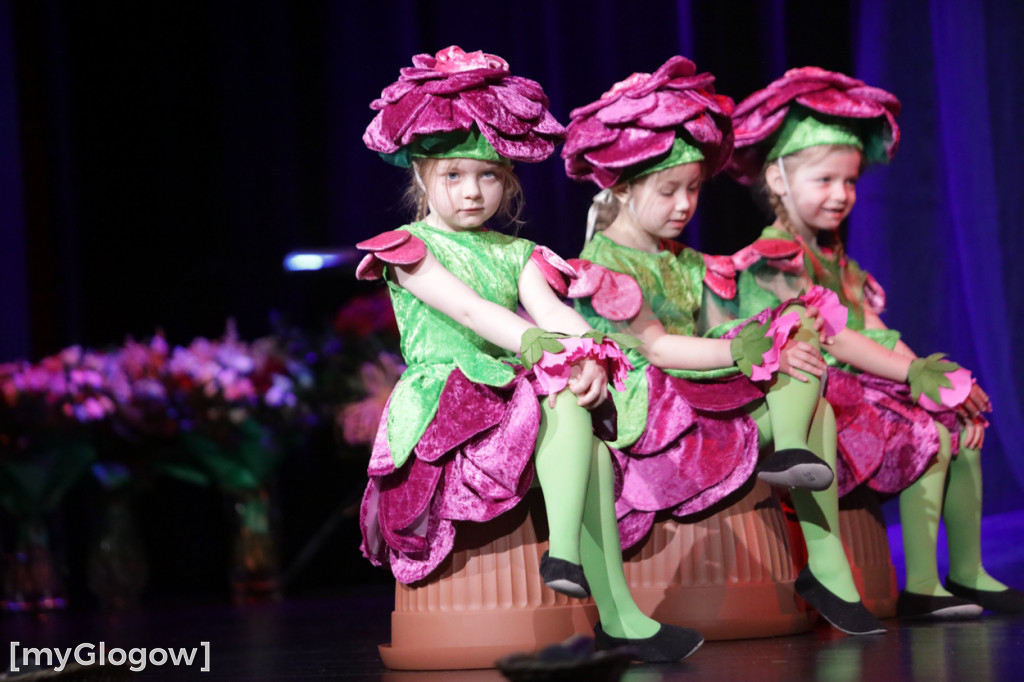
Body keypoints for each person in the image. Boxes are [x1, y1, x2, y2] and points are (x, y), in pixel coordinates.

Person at [356, 46, 703, 662]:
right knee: (557, 394)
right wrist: (546, 349)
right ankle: (590, 582)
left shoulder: (519, 255)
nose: (472, 192)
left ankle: (587, 578)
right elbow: (469, 311)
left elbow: (555, 315)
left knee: (589, 437)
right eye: (454, 176)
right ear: (422, 177)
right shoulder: (408, 248)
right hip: (451, 395)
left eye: (488, 176)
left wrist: (591, 352)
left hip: (515, 384)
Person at [562, 56, 885, 636]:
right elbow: (658, 350)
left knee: (802, 353)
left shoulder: (687, 261)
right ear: (626, 186)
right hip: (647, 409)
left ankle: (820, 543)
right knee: (782, 359)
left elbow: (726, 323)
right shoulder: (602, 267)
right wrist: (739, 353)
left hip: (695, 390)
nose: (685, 205)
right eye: (669, 191)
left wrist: (770, 337)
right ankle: (817, 537)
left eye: (692, 191)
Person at [724, 66, 1024, 619]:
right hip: (799, 389)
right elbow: (834, 337)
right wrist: (912, 380)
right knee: (924, 426)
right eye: (825, 180)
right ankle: (923, 584)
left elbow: (875, 331)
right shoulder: (775, 258)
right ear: (778, 180)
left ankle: (962, 571)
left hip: (853, 382)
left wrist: (942, 383)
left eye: (851, 181)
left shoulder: (840, 261)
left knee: (960, 421)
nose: (842, 195)